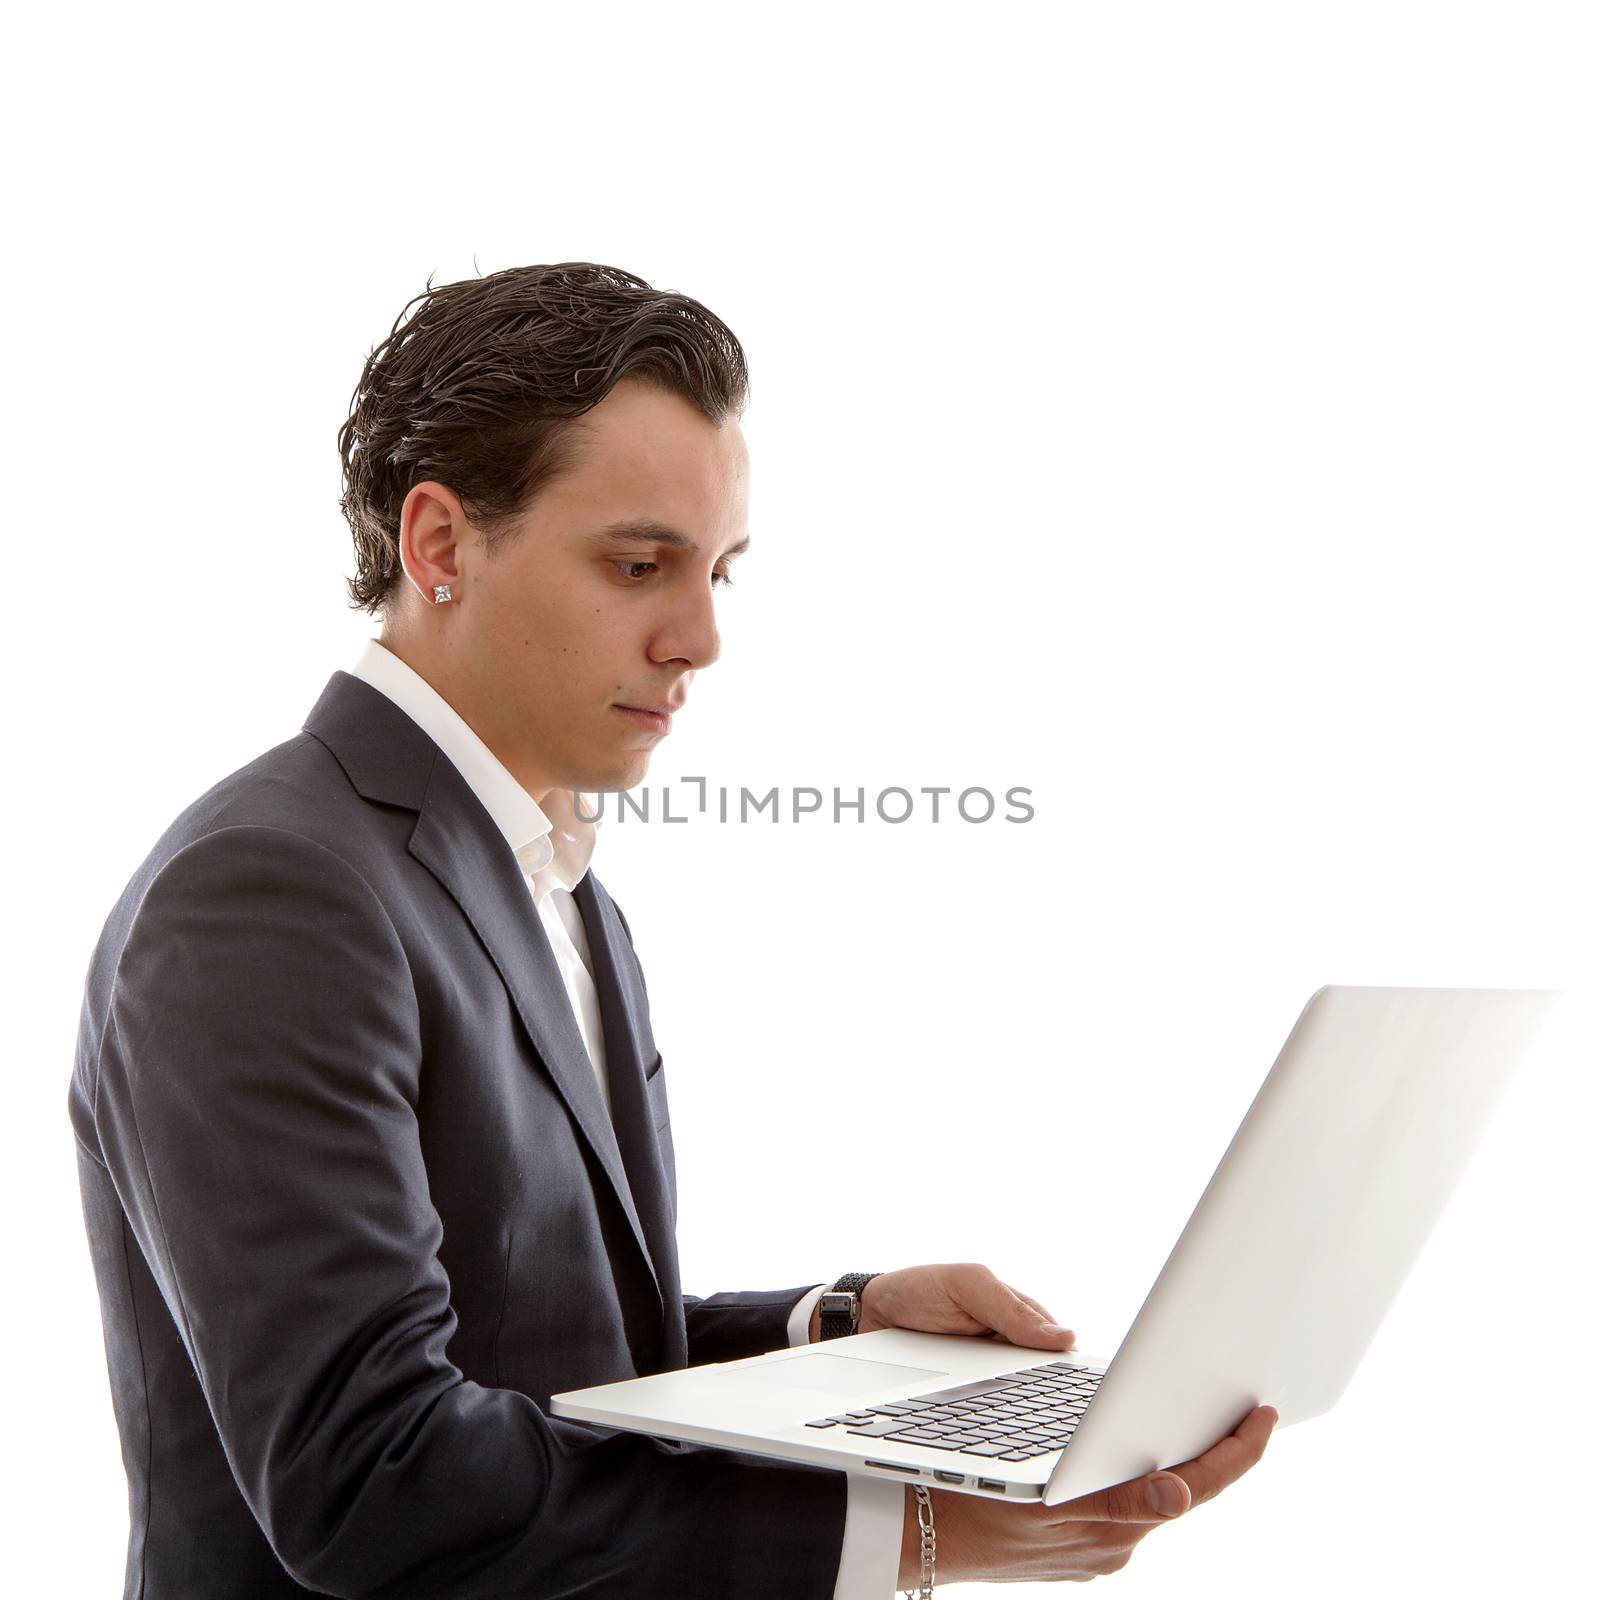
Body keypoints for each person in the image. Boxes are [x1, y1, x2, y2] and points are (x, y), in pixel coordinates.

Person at [69, 261, 1276, 1598]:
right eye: (639, 565)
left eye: (719, 573)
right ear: (438, 545)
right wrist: (913, 1535)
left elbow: (556, 1361)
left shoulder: (555, 880)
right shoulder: (267, 893)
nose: (698, 637)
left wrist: (841, 1322)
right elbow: (377, 1474)